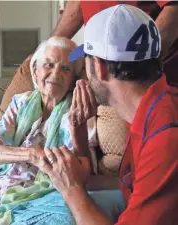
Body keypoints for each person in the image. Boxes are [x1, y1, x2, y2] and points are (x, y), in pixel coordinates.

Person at [36, 5, 178, 225]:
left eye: (86, 62)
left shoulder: (165, 138)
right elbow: (136, 187)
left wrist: (72, 189)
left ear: (100, 67)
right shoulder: (153, 108)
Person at [0, 37, 99, 225]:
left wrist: (78, 125)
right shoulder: (21, 102)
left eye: (66, 68)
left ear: (72, 80)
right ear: (35, 71)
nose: (56, 73)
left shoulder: (78, 110)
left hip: (43, 190)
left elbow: (83, 169)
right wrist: (31, 154)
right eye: (49, 65)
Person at [50, 0, 178, 86]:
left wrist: (135, 71)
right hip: (99, 68)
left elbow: (174, 9)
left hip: (146, 78)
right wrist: (47, 49)